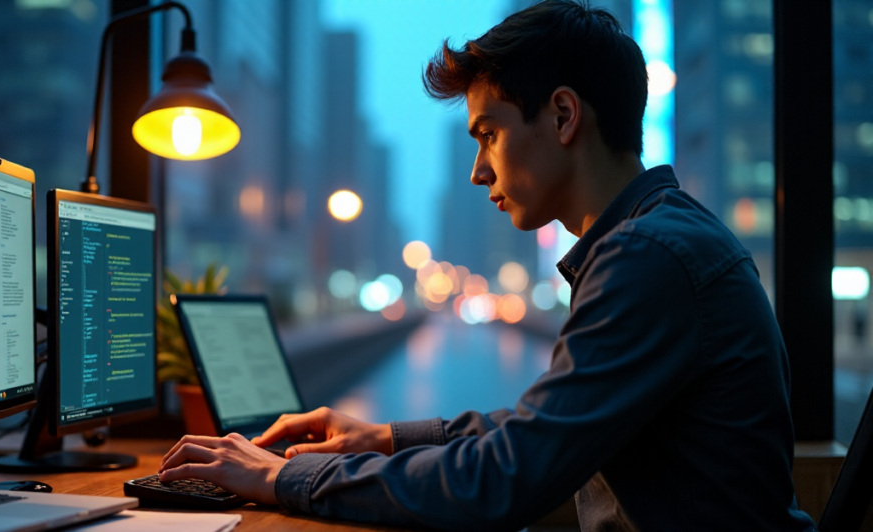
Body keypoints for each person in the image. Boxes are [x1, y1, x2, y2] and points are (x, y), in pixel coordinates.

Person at [157, 2, 817, 530]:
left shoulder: (647, 257)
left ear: (562, 116)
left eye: (488, 134)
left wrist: (280, 477)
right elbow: (545, 427)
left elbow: (507, 479)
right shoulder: (659, 238)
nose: (479, 171)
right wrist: (385, 437)